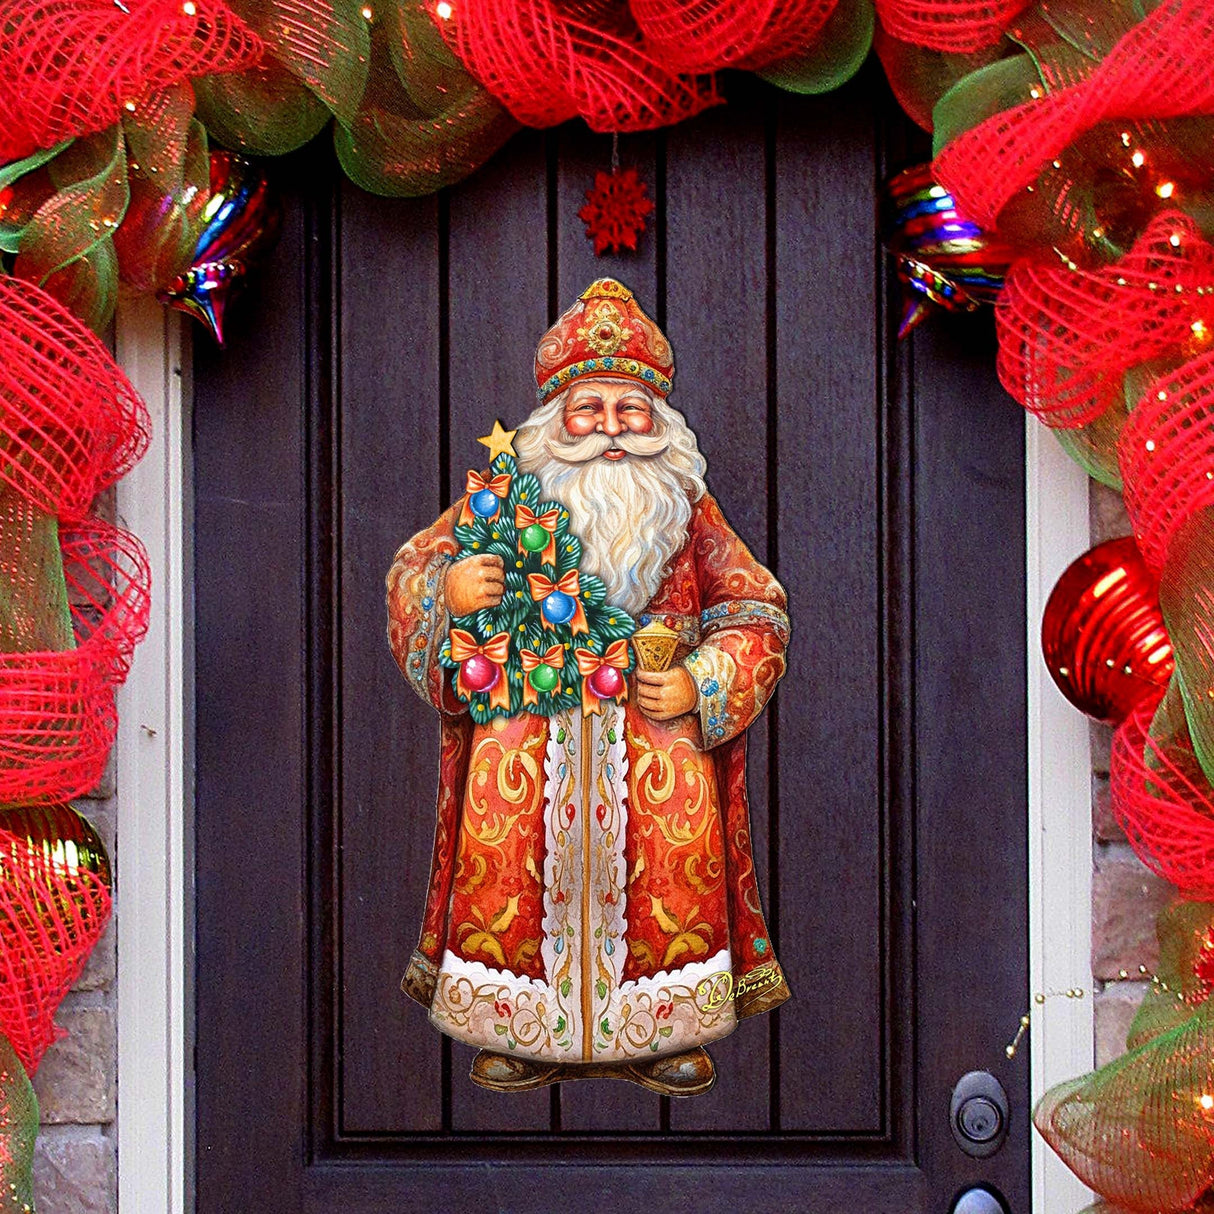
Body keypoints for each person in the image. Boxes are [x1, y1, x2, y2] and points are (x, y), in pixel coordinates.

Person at [386, 278, 790, 1097]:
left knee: (663, 886)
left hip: (658, 746)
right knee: (515, 879)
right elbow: (412, 571)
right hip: (523, 746)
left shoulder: (686, 506)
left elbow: (756, 608)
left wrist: (703, 682)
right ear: (555, 419)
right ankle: (514, 1030)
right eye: (589, 409)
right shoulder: (505, 495)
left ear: (658, 420)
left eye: (629, 409)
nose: (610, 427)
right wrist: (450, 593)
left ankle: (667, 1034)